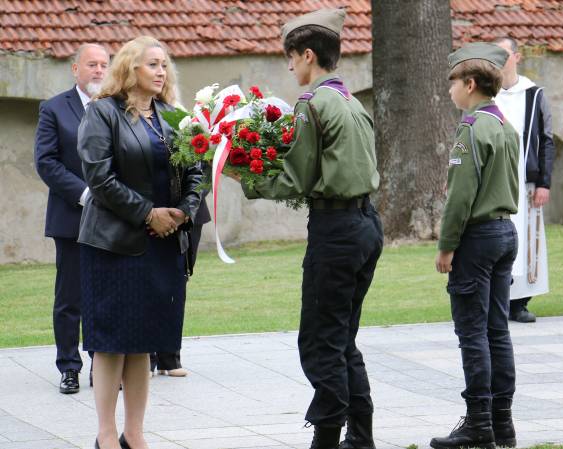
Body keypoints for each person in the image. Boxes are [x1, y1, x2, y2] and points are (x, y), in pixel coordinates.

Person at [238, 8, 383, 449]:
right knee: (343, 339)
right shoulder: (352, 101)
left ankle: (326, 437)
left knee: (321, 341)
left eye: (291, 58)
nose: (288, 67)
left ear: (307, 55)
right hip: (365, 225)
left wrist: (242, 175)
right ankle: (360, 436)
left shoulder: (313, 104)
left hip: (336, 230)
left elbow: (296, 178)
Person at [77, 36, 202, 449]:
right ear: (131, 68)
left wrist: (182, 211)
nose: (161, 71)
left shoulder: (172, 116)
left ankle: (135, 433)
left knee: (144, 343)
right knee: (113, 343)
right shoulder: (102, 113)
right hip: (113, 245)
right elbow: (100, 177)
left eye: (165, 64)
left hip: (162, 245)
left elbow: (196, 169)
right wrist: (148, 213)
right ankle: (107, 435)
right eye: (153, 64)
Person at [431, 42, 519, 449]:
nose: (449, 91)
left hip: (478, 238)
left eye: (453, 83)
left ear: (470, 84)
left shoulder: (471, 128)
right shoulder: (505, 126)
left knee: (472, 333)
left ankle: (479, 423)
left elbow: (460, 196)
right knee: (497, 330)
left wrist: (446, 246)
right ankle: (503, 423)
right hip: (505, 232)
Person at [34, 43, 109, 394]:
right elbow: (46, 162)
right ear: (75, 69)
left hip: (114, 219)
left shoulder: (116, 106)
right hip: (72, 217)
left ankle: (103, 368)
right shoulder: (54, 109)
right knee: (70, 298)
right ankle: (69, 367)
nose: (98, 71)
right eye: (91, 64)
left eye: (104, 65)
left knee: (108, 294)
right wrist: (86, 194)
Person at [493, 37, 555, 323]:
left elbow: (546, 139)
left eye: (504, 54)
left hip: (526, 179)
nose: (500, 59)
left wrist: (544, 182)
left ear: (516, 57)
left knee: (527, 239)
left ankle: (520, 303)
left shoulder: (534, 93)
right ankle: (497, 300)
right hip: (497, 179)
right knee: (496, 236)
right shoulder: (487, 94)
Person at [150, 195, 210, 378]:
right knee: (148, 283)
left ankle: (170, 357)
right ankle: (147, 356)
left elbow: (200, 175)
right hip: (148, 213)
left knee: (177, 283)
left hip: (189, 213)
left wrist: (182, 211)